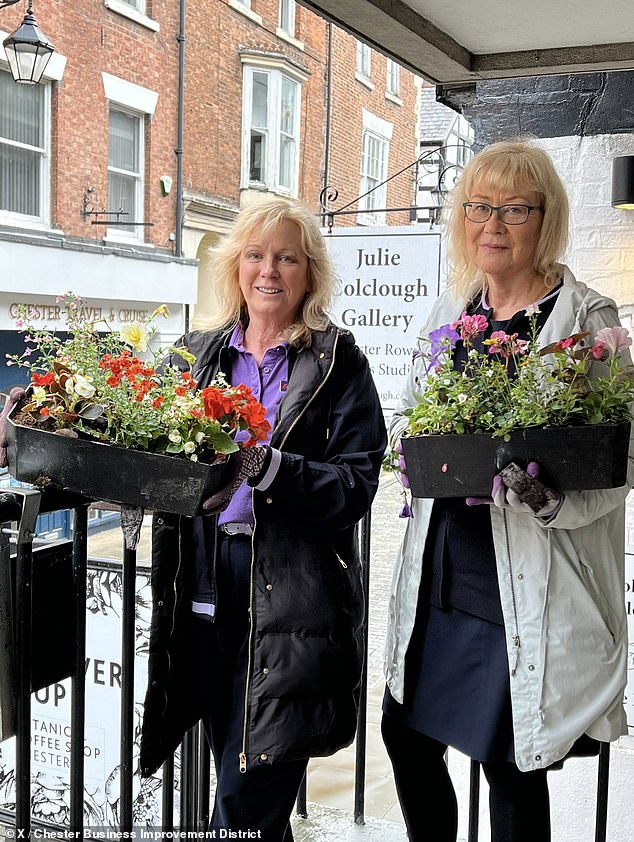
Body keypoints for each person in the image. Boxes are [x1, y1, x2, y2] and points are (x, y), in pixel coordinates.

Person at [382, 139, 632, 842]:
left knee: (509, 765)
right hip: (443, 573)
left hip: (522, 580)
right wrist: (412, 452)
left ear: (544, 218)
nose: (492, 223)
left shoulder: (586, 320)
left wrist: (548, 497)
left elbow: (620, 459)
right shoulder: (449, 311)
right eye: (478, 207)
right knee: (404, 734)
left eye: (514, 208)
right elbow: (409, 416)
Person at [138, 197, 386, 840]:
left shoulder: (338, 362)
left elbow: (358, 483)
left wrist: (270, 469)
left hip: (292, 596)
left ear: (309, 272)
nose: (268, 270)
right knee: (237, 774)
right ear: (235, 267)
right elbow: (143, 438)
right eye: (255, 255)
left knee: (246, 795)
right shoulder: (199, 355)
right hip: (205, 583)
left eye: (286, 257)